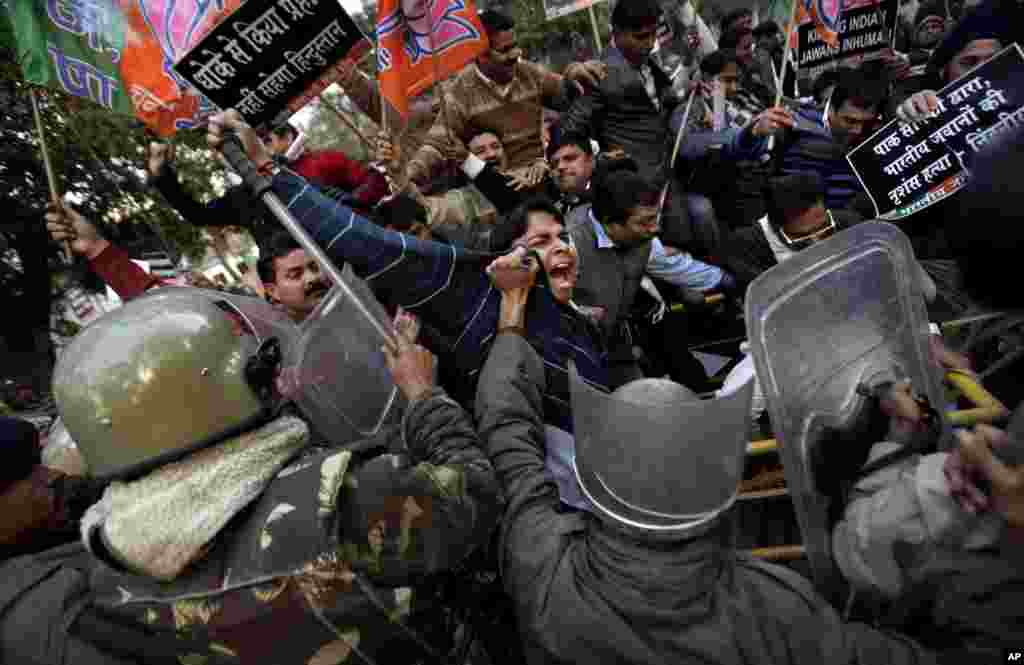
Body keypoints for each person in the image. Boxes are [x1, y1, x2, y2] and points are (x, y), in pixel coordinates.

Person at [473, 251, 944, 665]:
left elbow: (506, 433)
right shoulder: (777, 611)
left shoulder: (540, 564)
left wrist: (511, 317)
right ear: (718, 495)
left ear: (596, 485)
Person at [0, 297, 502, 665]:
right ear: (215, 392)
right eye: (257, 373)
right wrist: (423, 396)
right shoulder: (344, 498)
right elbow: (479, 490)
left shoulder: (106, 583)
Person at [207, 110, 611, 511]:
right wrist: (266, 167)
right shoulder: (482, 300)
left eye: (562, 236)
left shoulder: (582, 318)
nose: (561, 247)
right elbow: (367, 243)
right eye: (540, 241)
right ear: (502, 258)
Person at [565, 167, 735, 387]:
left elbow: (678, 268)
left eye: (655, 218)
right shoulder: (569, 245)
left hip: (617, 340)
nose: (655, 228)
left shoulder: (643, 239)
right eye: (645, 221)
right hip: (577, 353)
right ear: (611, 224)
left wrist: (729, 280)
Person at [404, 9, 606, 187]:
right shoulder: (460, 93)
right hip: (496, 190)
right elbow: (436, 145)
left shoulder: (530, 73)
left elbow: (568, 96)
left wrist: (575, 73)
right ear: (481, 55)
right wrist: (408, 174)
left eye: (514, 46)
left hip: (543, 176)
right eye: (504, 50)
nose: (514, 55)